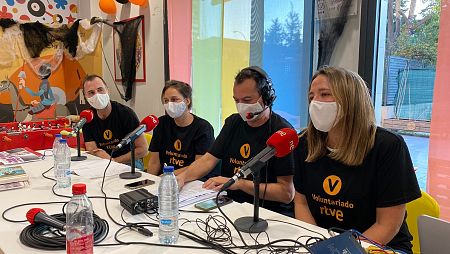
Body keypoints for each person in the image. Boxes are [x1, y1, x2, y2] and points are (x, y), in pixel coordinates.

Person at [294, 66, 421, 253]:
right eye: (312, 97)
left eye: (325, 94)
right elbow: (301, 202)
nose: (315, 103)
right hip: (325, 245)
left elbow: (387, 226)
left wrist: (343, 250)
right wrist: (318, 246)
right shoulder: (304, 142)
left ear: (351, 100)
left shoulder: (388, 146)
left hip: (380, 247)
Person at [177, 66, 296, 216]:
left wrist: (239, 184)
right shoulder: (233, 122)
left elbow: (286, 193)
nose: (241, 106)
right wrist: (182, 178)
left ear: (267, 97)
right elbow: (208, 159)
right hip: (230, 206)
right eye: (236, 100)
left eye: (247, 100)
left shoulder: (282, 133)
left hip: (268, 214)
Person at [147, 80, 215, 176]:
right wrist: (150, 182)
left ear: (187, 101)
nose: (170, 104)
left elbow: (200, 166)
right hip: (164, 179)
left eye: (174, 99)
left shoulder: (203, 128)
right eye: (166, 101)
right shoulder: (161, 123)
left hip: (191, 179)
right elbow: (154, 161)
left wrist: (170, 175)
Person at [81, 74, 148, 168]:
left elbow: (143, 150)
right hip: (102, 163)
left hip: (129, 162)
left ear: (108, 90)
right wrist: (107, 162)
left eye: (100, 89)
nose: (97, 95)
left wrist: (114, 161)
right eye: (91, 92)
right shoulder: (87, 118)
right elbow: (92, 150)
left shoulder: (126, 114)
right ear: (85, 96)